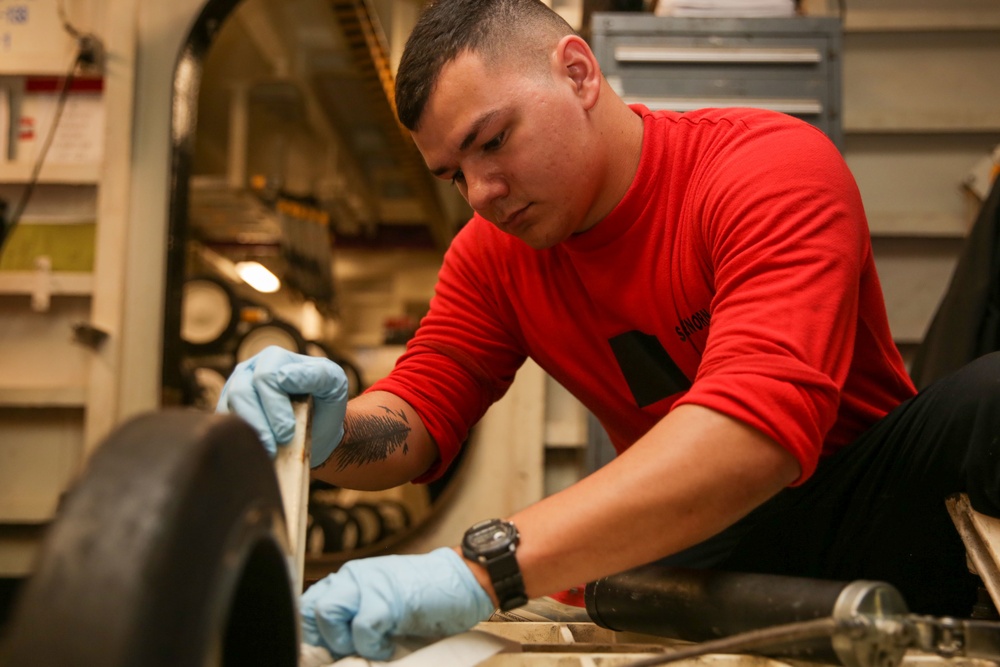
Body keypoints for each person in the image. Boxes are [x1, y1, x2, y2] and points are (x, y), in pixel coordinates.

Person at [217, 0, 1000, 660]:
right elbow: (422, 411)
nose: (481, 192)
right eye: (454, 173)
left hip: (869, 501)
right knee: (599, 586)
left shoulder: (766, 168)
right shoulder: (493, 256)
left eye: (493, 141)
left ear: (579, 73)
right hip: (715, 537)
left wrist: (479, 570)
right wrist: (325, 431)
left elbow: (756, 430)